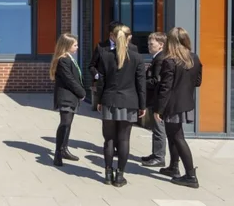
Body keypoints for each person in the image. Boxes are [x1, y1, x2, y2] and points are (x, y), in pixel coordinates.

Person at [93, 23, 145, 187]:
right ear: (129, 38)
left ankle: (108, 173)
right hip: (129, 102)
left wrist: (99, 100)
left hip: (109, 100)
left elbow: (101, 81)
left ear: (114, 37)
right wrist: (142, 105)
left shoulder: (106, 55)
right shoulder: (137, 57)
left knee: (108, 139)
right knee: (124, 140)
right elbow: (141, 84)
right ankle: (119, 176)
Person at [155, 27, 202, 188]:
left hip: (172, 104)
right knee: (173, 135)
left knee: (177, 137)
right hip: (186, 102)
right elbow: (198, 82)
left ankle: (190, 175)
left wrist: (158, 110)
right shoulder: (194, 58)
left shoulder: (170, 61)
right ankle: (173, 167)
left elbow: (165, 87)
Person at [50, 33, 86, 167]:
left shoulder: (69, 58)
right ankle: (58, 152)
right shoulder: (63, 60)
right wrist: (82, 92)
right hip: (66, 97)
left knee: (68, 123)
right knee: (64, 123)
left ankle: (64, 149)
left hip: (72, 97)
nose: (77, 47)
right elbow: (69, 79)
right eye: (75, 45)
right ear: (67, 46)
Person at [138, 31, 168, 168]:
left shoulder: (160, 59)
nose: (149, 46)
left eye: (152, 44)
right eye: (148, 43)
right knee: (155, 128)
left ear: (161, 45)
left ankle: (159, 156)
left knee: (158, 129)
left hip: (157, 100)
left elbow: (157, 81)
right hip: (154, 99)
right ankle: (155, 153)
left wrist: (141, 81)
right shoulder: (157, 58)